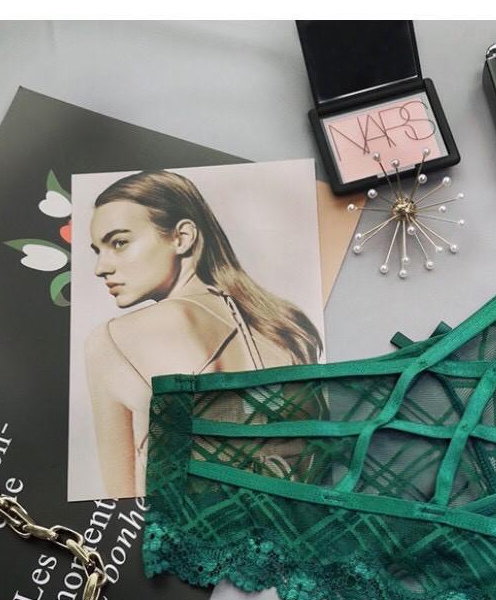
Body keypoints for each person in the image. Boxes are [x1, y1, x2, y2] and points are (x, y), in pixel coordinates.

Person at [84, 169, 323, 498]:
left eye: (119, 243)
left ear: (182, 237)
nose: (101, 268)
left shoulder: (112, 340)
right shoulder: (284, 323)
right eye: (98, 250)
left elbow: (123, 499)